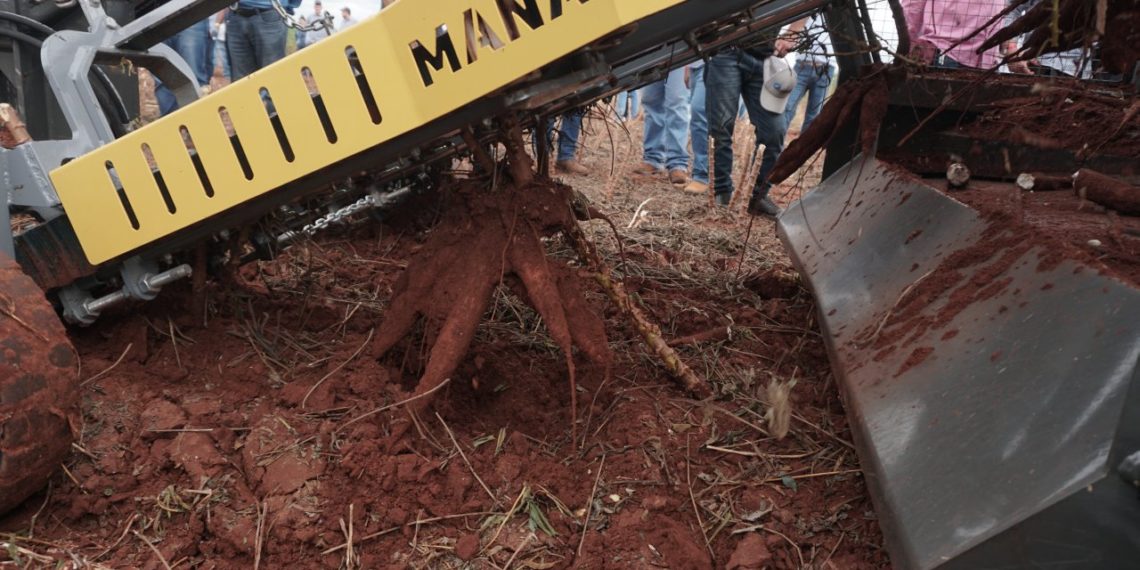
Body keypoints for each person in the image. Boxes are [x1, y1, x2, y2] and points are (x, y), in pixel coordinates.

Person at [705, 34, 796, 216]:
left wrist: (793, 33)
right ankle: (721, 195)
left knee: (774, 131)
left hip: (765, 56)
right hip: (725, 51)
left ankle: (757, 196)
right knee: (721, 128)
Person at [902, 0, 1030, 73]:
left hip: (987, 62)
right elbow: (913, 4)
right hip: (947, 53)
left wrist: (1009, 47)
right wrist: (910, 46)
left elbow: (1000, 10)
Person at [633, 67, 690, 186]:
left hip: (681, 54)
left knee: (676, 103)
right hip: (652, 55)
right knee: (650, 100)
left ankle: (677, 164)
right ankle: (653, 158)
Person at [783, 14, 834, 133]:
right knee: (786, 107)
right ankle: (776, 146)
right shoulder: (807, 9)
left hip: (825, 69)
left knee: (814, 116)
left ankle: (802, 150)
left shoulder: (837, 12)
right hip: (802, 65)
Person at [226, 0, 302, 81]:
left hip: (270, 13)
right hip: (235, 15)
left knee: (271, 76)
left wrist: (286, 7)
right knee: (241, 80)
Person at [155, 19, 212, 115]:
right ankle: (170, 125)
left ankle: (199, 124)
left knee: (194, 78)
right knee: (162, 80)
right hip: (153, 19)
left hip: (189, 15)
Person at [683, 61, 709, 194]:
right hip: (696, 64)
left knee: (699, 111)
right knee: (698, 117)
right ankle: (701, 174)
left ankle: (702, 176)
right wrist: (688, 66)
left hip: (714, 62)